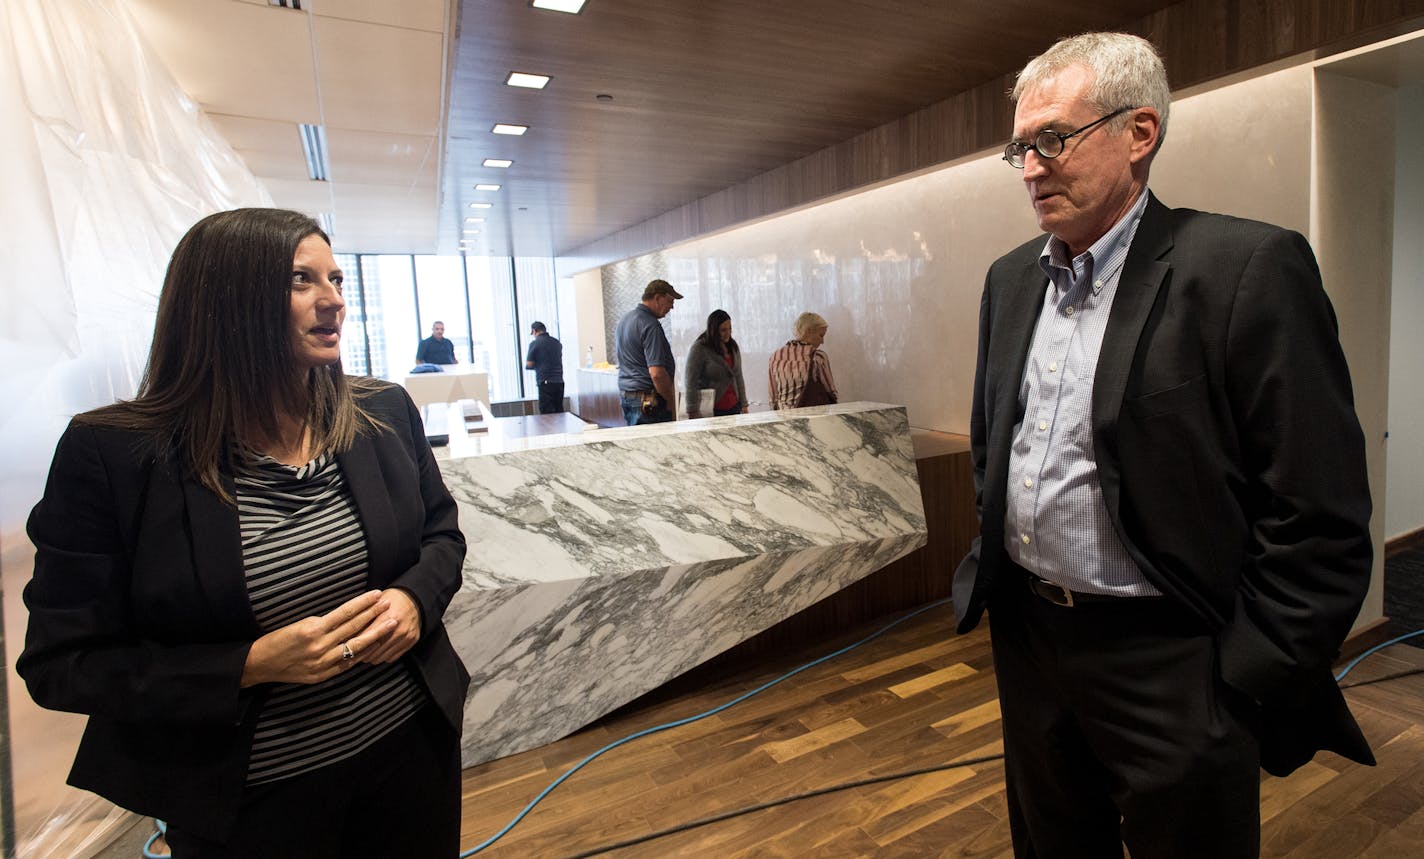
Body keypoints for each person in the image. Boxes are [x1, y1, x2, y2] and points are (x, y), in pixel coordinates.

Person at [951, 32, 1373, 857]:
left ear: (1139, 133)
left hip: (1175, 664)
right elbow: (989, 448)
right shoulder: (1010, 281)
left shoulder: (1244, 269)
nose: (1032, 167)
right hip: (1033, 649)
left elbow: (1318, 509)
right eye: (1020, 147)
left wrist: (1240, 680)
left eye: (1053, 139)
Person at [18, 209, 470, 857]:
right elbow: (62, 665)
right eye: (300, 279)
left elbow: (441, 536)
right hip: (250, 800)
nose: (334, 299)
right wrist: (247, 666)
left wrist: (412, 601)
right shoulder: (114, 456)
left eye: (337, 278)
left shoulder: (383, 411)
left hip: (410, 754)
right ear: (224, 299)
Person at [614, 278, 682, 425]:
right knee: (659, 446)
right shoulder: (650, 325)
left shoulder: (624, 320)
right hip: (649, 401)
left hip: (628, 396)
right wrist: (670, 400)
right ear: (657, 298)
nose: (672, 307)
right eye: (670, 301)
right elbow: (656, 373)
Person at [683, 309, 748, 418]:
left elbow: (738, 376)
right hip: (711, 409)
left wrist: (744, 404)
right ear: (714, 330)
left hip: (734, 406)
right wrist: (692, 409)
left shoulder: (732, 346)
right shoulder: (700, 348)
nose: (728, 333)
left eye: (730, 329)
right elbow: (690, 381)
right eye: (723, 330)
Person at [768, 311, 838, 410]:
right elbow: (830, 391)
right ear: (809, 331)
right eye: (821, 335)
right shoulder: (818, 357)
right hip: (812, 418)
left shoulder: (775, 356)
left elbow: (773, 396)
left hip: (785, 417)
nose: (822, 341)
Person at [524, 321, 565, 414]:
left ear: (534, 331)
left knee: (547, 413)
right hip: (559, 381)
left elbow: (529, 364)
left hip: (545, 382)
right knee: (559, 411)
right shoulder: (557, 343)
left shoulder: (535, 343)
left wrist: (538, 365)